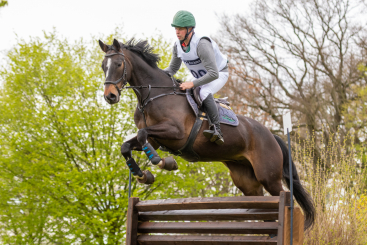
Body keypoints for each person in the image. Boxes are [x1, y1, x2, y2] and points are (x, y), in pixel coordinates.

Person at [164, 10, 229, 145]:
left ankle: (217, 130)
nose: (177, 32)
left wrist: (192, 84)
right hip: (204, 77)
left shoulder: (201, 44)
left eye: (181, 29)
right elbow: (172, 69)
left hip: (219, 73)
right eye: (176, 28)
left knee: (204, 92)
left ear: (190, 29)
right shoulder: (177, 46)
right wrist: (154, 74)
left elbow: (213, 74)